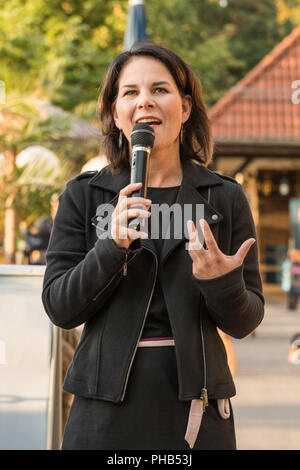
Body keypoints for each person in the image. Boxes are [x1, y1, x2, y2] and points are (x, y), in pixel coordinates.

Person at [42, 42, 264, 450]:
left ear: (185, 107)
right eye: (130, 93)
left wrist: (222, 283)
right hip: (102, 412)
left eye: (159, 90)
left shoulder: (223, 198)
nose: (145, 101)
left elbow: (245, 321)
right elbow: (60, 307)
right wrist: (111, 247)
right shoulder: (84, 196)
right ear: (115, 112)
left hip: (195, 410)